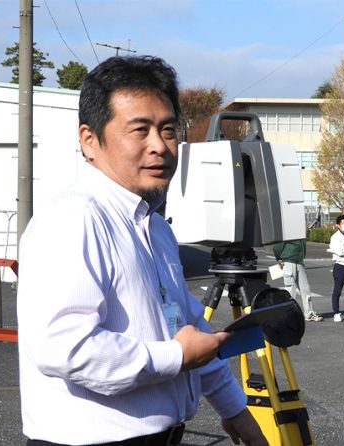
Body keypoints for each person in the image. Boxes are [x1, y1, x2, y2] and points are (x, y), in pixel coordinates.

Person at [17, 56, 266, 446]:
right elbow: (64, 347)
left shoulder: (155, 227)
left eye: (168, 130)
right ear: (89, 140)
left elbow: (186, 327)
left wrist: (234, 408)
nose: (160, 146)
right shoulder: (72, 219)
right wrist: (175, 357)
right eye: (140, 130)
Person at [272, 239, 323, 322]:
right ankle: (288, 314)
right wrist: (278, 258)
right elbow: (277, 246)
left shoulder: (300, 230)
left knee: (305, 289)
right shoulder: (288, 229)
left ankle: (309, 313)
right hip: (288, 261)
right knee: (290, 291)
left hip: (299, 261)